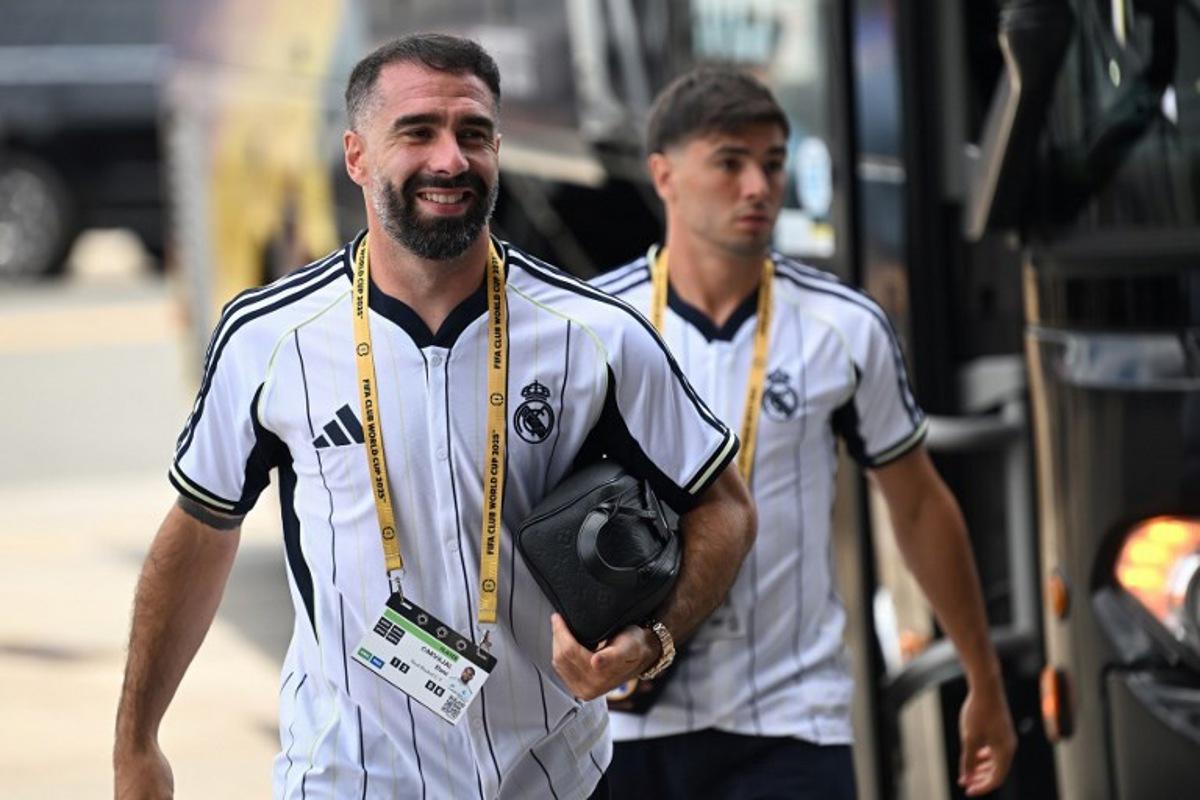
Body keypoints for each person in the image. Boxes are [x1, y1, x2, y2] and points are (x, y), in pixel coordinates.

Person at [113, 36, 755, 800]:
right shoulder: (267, 337)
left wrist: (655, 639)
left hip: (554, 781)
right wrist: (136, 746)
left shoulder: (597, 335)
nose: (450, 160)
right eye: (417, 131)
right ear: (356, 155)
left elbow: (726, 506)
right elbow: (199, 529)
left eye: (474, 134)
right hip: (347, 780)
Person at [592, 67, 1017, 799]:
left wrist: (983, 676)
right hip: (623, 722)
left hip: (791, 721)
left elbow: (917, 505)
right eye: (730, 162)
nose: (759, 186)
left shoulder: (843, 327)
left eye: (774, 163)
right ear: (663, 174)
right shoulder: (595, 326)